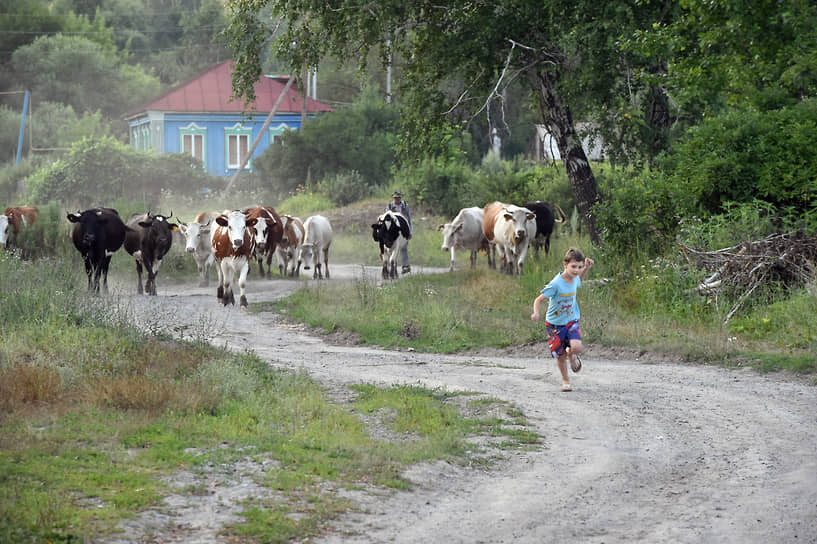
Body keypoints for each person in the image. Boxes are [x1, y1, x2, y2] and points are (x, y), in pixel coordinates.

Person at [530, 247, 594, 392]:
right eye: (573, 266)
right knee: (560, 355)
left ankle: (572, 355)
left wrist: (586, 268)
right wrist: (536, 313)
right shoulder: (556, 284)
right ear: (565, 264)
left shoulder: (575, 278)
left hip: (571, 319)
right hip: (554, 324)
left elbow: (579, 279)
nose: (576, 270)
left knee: (576, 347)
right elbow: (538, 300)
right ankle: (565, 381)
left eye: (579, 267)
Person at [386, 190, 412, 273]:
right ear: (393, 198)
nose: (397, 199)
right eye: (395, 197)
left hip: (404, 229)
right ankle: (394, 266)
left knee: (404, 247)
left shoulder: (405, 205)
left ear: (401, 198)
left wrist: (410, 232)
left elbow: (409, 219)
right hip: (394, 231)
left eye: (398, 197)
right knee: (393, 248)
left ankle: (405, 266)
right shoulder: (389, 206)